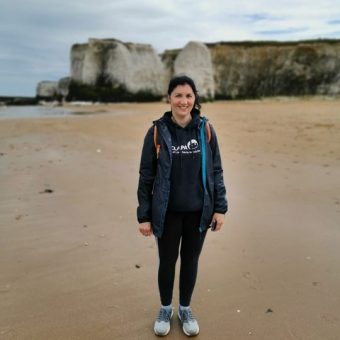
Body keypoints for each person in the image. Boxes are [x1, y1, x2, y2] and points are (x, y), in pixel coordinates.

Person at [137, 75, 228, 337]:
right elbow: (146, 177)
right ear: (169, 98)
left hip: (199, 212)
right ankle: (166, 308)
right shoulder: (156, 131)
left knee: (190, 261)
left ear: (195, 98)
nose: (183, 101)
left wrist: (220, 208)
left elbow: (216, 171)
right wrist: (144, 215)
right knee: (167, 262)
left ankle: (185, 309)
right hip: (166, 213)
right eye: (178, 95)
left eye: (188, 96)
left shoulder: (206, 130)